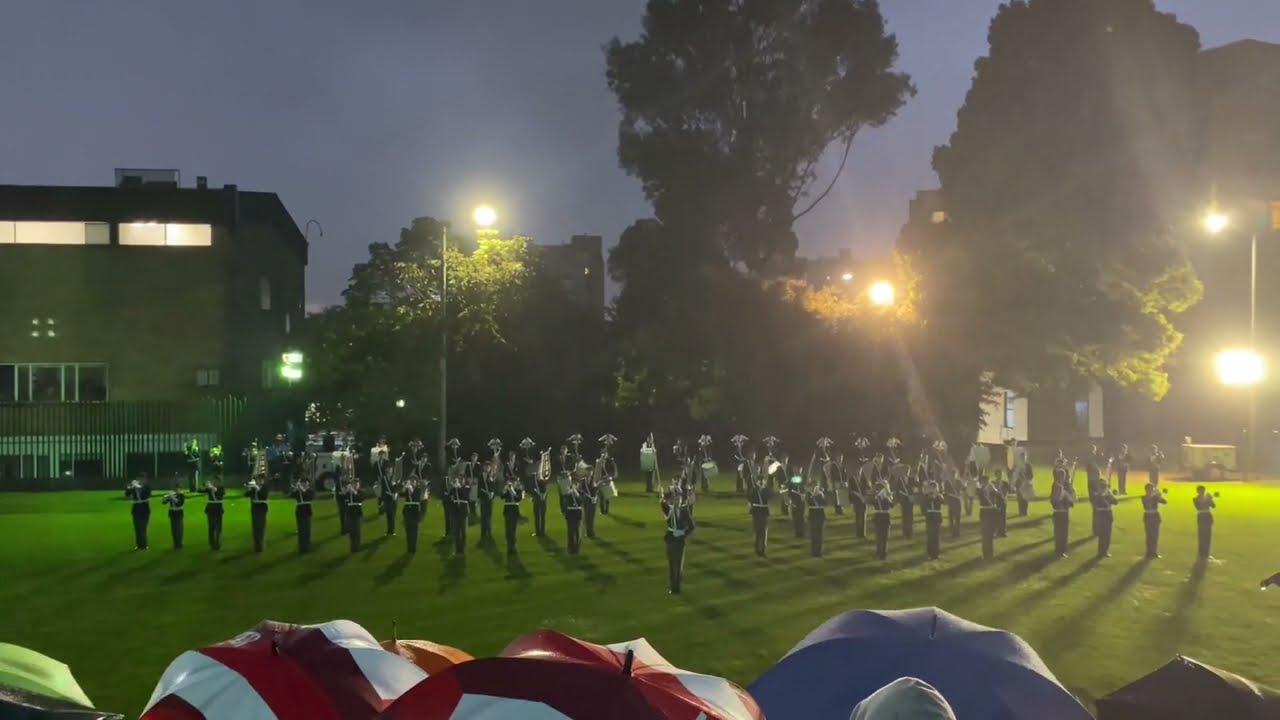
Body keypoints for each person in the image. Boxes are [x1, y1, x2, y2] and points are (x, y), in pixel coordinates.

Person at [662, 488, 695, 594]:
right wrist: (662, 493)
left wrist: (683, 533)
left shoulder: (684, 511)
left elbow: (691, 527)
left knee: (679, 564)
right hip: (671, 540)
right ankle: (673, 587)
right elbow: (663, 504)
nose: (677, 502)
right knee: (672, 565)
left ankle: (678, 586)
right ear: (673, 500)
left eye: (679, 500)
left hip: (680, 541)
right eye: (675, 499)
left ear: (681, 501)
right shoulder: (669, 510)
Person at [747, 468, 771, 557]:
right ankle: (757, 548)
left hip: (764, 512)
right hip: (756, 512)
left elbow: (770, 497)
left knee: (764, 532)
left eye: (762, 481)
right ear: (757, 481)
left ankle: (763, 549)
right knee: (757, 531)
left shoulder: (766, 490)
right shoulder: (753, 489)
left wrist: (764, 489)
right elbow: (749, 500)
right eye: (760, 481)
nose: (761, 482)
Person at [1141, 482, 1168, 559]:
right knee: (1149, 535)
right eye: (1149, 489)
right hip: (1148, 516)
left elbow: (1164, 502)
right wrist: (1155, 495)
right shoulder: (1144, 497)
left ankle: (1154, 552)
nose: (1150, 490)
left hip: (1155, 516)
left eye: (1151, 489)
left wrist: (1159, 496)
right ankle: (1148, 552)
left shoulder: (1155, 497)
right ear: (1146, 490)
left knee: (1155, 535)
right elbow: (1146, 502)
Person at [1091, 482, 1118, 558]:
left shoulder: (1108, 496)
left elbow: (1116, 502)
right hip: (1101, 516)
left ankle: (1105, 551)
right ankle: (1100, 551)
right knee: (1102, 535)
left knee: (1107, 535)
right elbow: (1096, 505)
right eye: (1101, 488)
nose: (1103, 490)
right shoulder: (1096, 496)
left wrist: (1111, 496)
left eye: (1104, 488)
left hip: (1108, 516)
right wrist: (1103, 497)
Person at [126, 477, 152, 550]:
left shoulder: (147, 487)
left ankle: (144, 545)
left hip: (145, 510)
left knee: (143, 528)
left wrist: (138, 487)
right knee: (137, 528)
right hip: (136, 510)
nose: (141, 481)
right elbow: (127, 494)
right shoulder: (134, 487)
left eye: (142, 479)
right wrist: (129, 487)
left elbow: (147, 494)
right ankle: (139, 545)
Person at [871, 481, 895, 560]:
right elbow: (871, 501)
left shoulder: (887, 496)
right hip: (878, 516)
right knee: (878, 536)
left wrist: (887, 496)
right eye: (879, 489)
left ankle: (884, 553)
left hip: (885, 516)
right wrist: (876, 495)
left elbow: (892, 505)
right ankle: (878, 551)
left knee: (885, 536)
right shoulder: (875, 496)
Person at [401, 478, 425, 554]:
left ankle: (413, 548)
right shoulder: (408, 489)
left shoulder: (418, 489)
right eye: (410, 481)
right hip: (408, 511)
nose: (411, 482)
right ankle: (409, 548)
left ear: (416, 482)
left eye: (413, 481)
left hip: (415, 512)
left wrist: (410, 489)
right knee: (408, 531)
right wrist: (405, 486)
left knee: (414, 531)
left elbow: (415, 497)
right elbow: (401, 493)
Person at [290, 478, 315, 554]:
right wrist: (294, 489)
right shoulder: (298, 491)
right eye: (302, 483)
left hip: (307, 511)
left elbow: (310, 497)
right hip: (300, 512)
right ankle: (301, 547)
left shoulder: (310, 491)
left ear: (308, 484)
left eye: (305, 483)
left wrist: (302, 490)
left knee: (307, 530)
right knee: (301, 530)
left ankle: (307, 546)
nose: (304, 484)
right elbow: (291, 495)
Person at [341, 478, 365, 553]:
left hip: (357, 512)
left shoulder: (361, 492)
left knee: (357, 530)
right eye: (354, 484)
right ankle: (352, 547)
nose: (355, 485)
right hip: (350, 512)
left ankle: (357, 546)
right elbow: (342, 497)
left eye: (357, 484)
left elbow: (359, 498)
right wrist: (345, 491)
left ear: (359, 485)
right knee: (351, 531)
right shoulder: (349, 492)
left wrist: (352, 490)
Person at [978, 476, 999, 561]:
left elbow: (998, 497)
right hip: (984, 512)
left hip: (991, 512)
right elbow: (982, 498)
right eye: (984, 482)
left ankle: (990, 554)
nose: (985, 483)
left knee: (989, 535)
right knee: (985, 535)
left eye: (986, 481)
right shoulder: (981, 490)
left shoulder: (993, 490)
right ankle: (985, 554)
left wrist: (993, 490)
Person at [501, 475, 523, 555]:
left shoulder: (518, 490)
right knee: (507, 530)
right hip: (507, 510)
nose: (513, 483)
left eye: (514, 482)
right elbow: (501, 496)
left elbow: (518, 499)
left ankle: (513, 546)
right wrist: (505, 489)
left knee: (513, 530)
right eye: (512, 482)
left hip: (514, 510)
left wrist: (512, 490)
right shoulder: (507, 489)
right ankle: (509, 546)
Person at [1050, 481, 1073, 558]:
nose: (1060, 491)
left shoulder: (1065, 495)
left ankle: (1062, 550)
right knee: (1058, 534)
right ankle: (1058, 550)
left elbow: (1071, 504)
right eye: (1058, 489)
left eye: (1061, 489)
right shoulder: (1054, 497)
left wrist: (1070, 496)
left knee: (1064, 534)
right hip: (1058, 515)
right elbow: (1055, 504)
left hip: (1065, 515)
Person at [923, 478, 944, 560]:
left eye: (934, 487)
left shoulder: (939, 496)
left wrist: (936, 495)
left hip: (937, 515)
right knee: (930, 535)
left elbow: (943, 502)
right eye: (931, 487)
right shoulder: (926, 496)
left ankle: (936, 553)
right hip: (930, 515)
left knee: (936, 535)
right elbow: (925, 505)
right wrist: (929, 496)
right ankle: (930, 552)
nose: (933, 489)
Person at [246, 476, 269, 553]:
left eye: (261, 480)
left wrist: (257, 488)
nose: (259, 481)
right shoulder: (254, 488)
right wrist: (248, 488)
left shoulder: (265, 488)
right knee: (255, 529)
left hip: (262, 510)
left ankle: (261, 546)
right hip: (254, 510)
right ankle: (256, 546)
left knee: (261, 528)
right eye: (258, 480)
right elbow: (246, 494)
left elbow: (263, 496)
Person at [562, 477, 585, 555]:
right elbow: (564, 502)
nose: (575, 485)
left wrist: (577, 494)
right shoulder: (567, 493)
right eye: (574, 483)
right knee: (570, 532)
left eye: (576, 484)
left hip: (577, 513)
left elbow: (582, 501)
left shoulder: (581, 492)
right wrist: (569, 494)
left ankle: (577, 549)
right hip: (570, 513)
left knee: (577, 532)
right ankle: (570, 549)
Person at [1193, 485, 1217, 560]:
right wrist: (1207, 500)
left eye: (1203, 491)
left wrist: (1211, 500)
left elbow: (1213, 506)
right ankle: (1201, 553)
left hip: (1208, 516)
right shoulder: (1195, 499)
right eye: (1200, 491)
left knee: (1208, 535)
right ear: (1198, 491)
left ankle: (1206, 553)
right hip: (1201, 516)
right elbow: (1199, 507)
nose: (1202, 492)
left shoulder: (1207, 498)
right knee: (1201, 535)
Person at [161, 482, 186, 550]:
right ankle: (175, 544)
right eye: (175, 489)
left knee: (179, 529)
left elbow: (179, 503)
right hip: (172, 513)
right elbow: (163, 502)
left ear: (180, 489)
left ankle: (179, 543)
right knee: (174, 529)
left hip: (179, 513)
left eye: (177, 489)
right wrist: (166, 498)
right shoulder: (172, 495)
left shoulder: (181, 495)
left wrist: (172, 498)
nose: (176, 490)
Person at [202, 477, 225, 550]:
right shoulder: (209, 488)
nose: (215, 482)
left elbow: (220, 494)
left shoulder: (221, 488)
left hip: (218, 510)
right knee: (211, 527)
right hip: (210, 510)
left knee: (218, 528)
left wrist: (212, 487)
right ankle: (212, 543)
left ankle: (217, 543)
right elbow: (200, 490)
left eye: (216, 481)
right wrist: (205, 485)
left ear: (219, 482)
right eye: (213, 481)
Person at [806, 481, 827, 557]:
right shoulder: (809, 494)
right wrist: (814, 495)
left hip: (820, 515)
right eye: (813, 486)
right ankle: (814, 551)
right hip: (813, 516)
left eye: (816, 486)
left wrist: (820, 494)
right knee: (814, 535)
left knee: (820, 535)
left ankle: (819, 551)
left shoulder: (821, 494)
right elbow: (809, 501)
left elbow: (824, 503)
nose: (815, 488)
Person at [788, 465, 807, 539]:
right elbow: (789, 489)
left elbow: (805, 487)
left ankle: (801, 532)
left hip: (801, 499)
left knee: (801, 516)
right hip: (794, 499)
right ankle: (797, 532)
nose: (797, 470)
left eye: (798, 469)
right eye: (795, 469)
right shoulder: (792, 479)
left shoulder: (803, 478)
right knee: (795, 516)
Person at [994, 469, 1010, 538]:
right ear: (996, 475)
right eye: (998, 474)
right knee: (996, 517)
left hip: (1003, 501)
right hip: (996, 502)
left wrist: (1003, 497)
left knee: (1003, 517)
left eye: (1000, 474)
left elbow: (1006, 492)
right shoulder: (993, 483)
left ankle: (1003, 531)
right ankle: (996, 531)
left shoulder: (1005, 483)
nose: (999, 476)